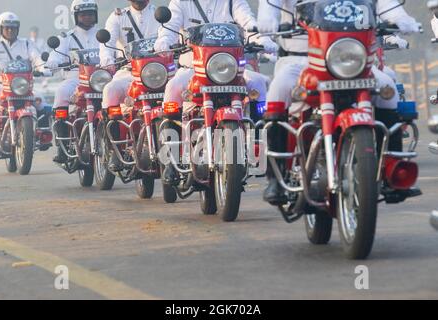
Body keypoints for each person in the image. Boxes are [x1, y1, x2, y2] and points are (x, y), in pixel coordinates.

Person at [257, 0, 422, 204]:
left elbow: (384, 3)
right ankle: (276, 177)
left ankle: (391, 169)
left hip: (351, 58)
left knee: (388, 87)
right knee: (278, 88)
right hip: (300, 59)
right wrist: (266, 18)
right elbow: (270, 3)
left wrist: (400, 17)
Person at [153, 0, 279, 183]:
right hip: (193, 68)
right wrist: (164, 40)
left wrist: (262, 39)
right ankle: (170, 161)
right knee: (172, 88)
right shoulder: (181, 2)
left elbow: (247, 22)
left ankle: (258, 145)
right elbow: (170, 25)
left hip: (230, 69)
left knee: (258, 83)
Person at [100, 0, 161, 171]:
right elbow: (107, 42)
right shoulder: (118, 17)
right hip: (129, 71)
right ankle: (115, 150)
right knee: (110, 90)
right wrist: (107, 60)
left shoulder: (161, 14)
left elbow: (176, 37)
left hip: (159, 73)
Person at [46, 0, 100, 163]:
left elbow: (114, 51)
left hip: (100, 77)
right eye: (83, 14)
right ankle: (62, 146)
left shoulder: (103, 34)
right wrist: (53, 61)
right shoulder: (66, 38)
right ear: (76, 16)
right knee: (61, 92)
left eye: (90, 14)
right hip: (75, 77)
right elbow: (54, 56)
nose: (87, 17)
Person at [0, 12, 46, 115]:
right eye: (7, 28)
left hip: (23, 87)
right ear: (0, 28)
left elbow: (37, 58)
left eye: (13, 28)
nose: (10, 30)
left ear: (17, 29)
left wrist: (44, 69)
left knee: (41, 103)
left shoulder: (26, 43)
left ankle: (45, 130)